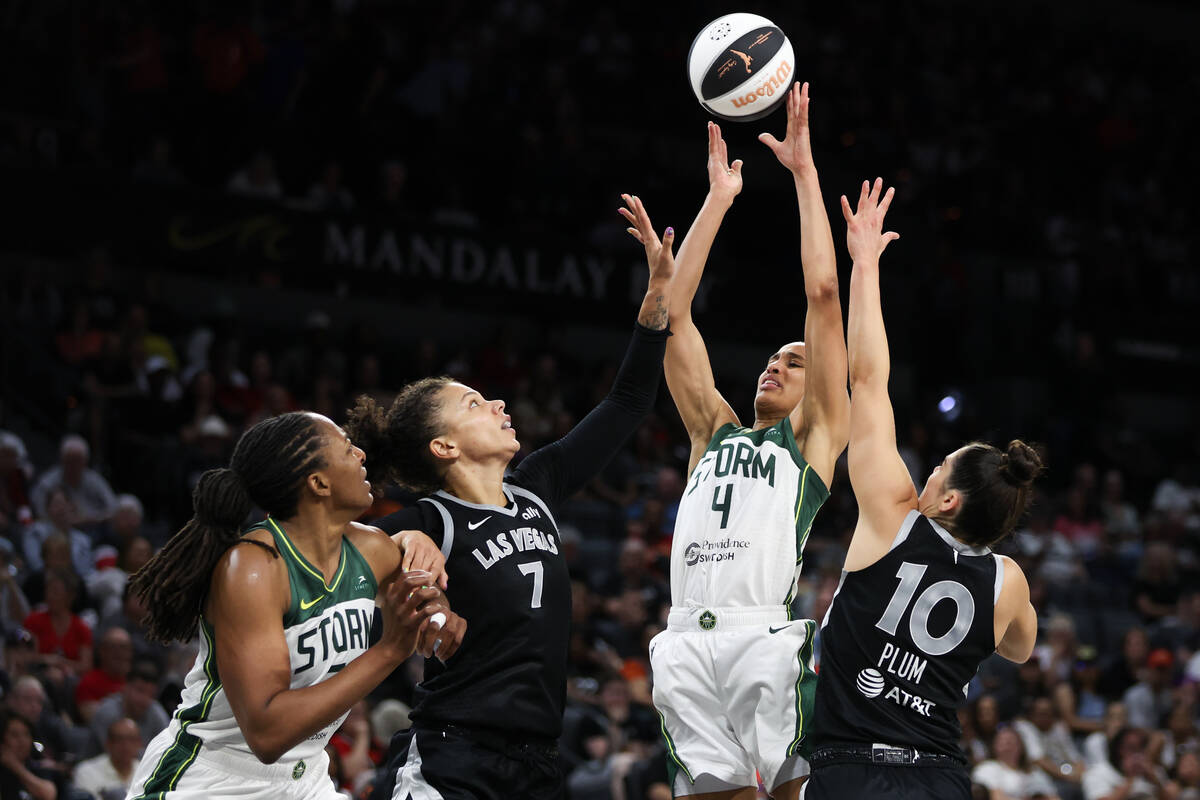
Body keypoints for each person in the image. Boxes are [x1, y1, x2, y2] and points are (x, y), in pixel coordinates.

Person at [352, 212, 676, 800]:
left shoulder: (538, 486)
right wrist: (395, 543)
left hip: (538, 763)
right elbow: (340, 544)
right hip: (453, 754)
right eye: (475, 403)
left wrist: (656, 298)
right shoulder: (429, 521)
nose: (499, 402)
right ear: (444, 446)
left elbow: (629, 402)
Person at [636, 82, 847, 800]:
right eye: (772, 358)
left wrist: (803, 173)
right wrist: (718, 198)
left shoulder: (813, 437)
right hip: (684, 641)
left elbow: (822, 294)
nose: (775, 365)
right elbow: (671, 312)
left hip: (764, 639)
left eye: (794, 361)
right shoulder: (712, 431)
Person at [802, 179, 1043, 800]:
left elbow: (868, 378)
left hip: (849, 768)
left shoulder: (891, 516)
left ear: (948, 500)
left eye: (937, 468)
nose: (926, 473)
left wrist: (865, 267)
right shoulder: (1008, 582)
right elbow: (1021, 649)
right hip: (939, 776)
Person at [123, 411, 466, 800]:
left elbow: (419, 600)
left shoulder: (370, 548)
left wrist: (437, 613)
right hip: (213, 777)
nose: (361, 455)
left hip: (306, 777)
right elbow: (267, 735)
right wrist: (390, 651)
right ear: (318, 483)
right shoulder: (252, 568)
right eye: (345, 447)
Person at [72, 717, 142, 800]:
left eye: (132, 739)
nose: (126, 746)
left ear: (139, 744)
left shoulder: (149, 772)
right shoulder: (85, 772)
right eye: (119, 739)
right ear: (108, 743)